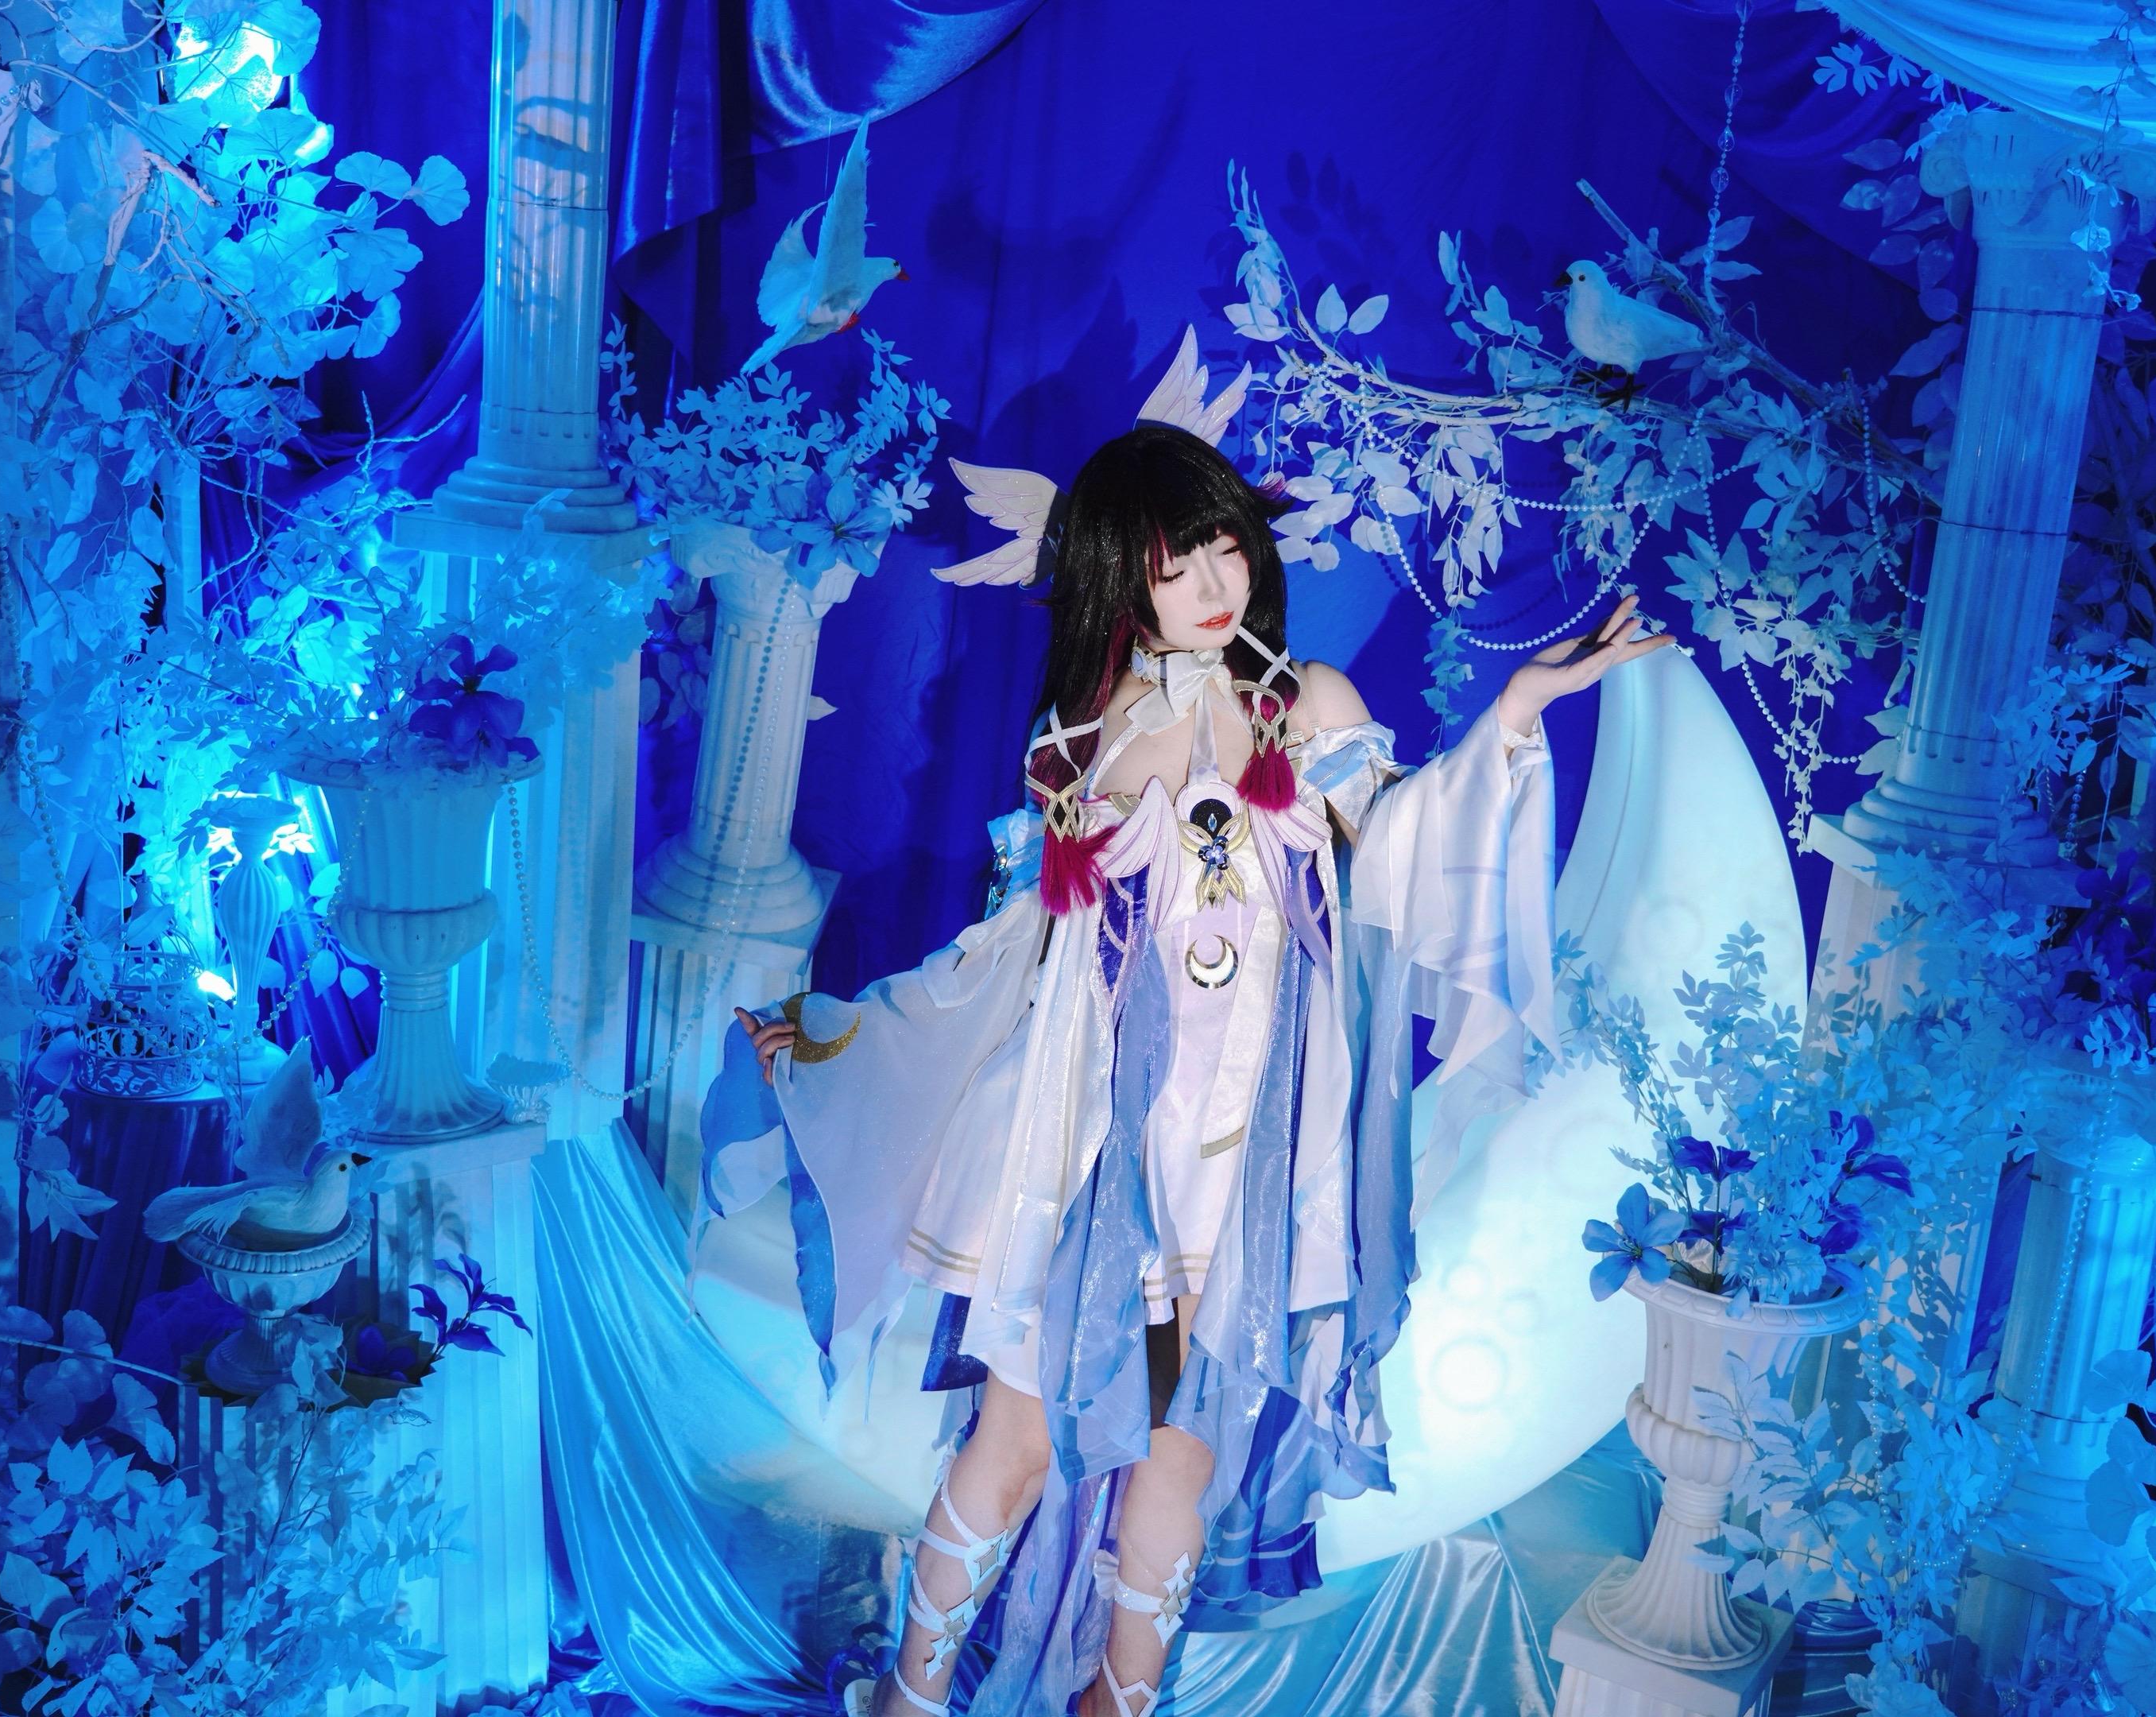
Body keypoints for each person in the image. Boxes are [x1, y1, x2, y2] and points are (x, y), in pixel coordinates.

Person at [710, 421, 1668, 1717]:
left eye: (1225, 549)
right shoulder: (1082, 739)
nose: (1215, 584)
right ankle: (911, 1697)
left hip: (1244, 1159)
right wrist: (846, 1035)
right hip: (1089, 1152)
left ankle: (1120, 1703)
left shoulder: (1307, 705)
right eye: (1176, 566)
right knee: (1019, 1432)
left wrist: (1514, 711)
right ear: (1125, 580)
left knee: (1183, 1450)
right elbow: (1012, 954)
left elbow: (1395, 863)